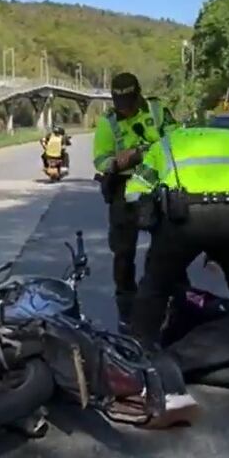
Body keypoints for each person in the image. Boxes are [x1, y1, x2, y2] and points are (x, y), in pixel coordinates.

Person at [124, 123, 229, 410]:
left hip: (183, 220)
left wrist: (152, 214)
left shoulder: (165, 143)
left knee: (154, 289)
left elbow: (134, 192)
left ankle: (135, 372)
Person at [91, 72, 177, 328]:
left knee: (170, 246)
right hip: (124, 188)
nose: (125, 111)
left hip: (159, 183)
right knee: (123, 253)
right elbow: (100, 160)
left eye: (129, 104)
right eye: (121, 106)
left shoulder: (158, 111)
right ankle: (126, 311)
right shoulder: (108, 123)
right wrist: (116, 163)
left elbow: (175, 142)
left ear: (139, 95)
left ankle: (172, 300)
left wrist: (141, 153)